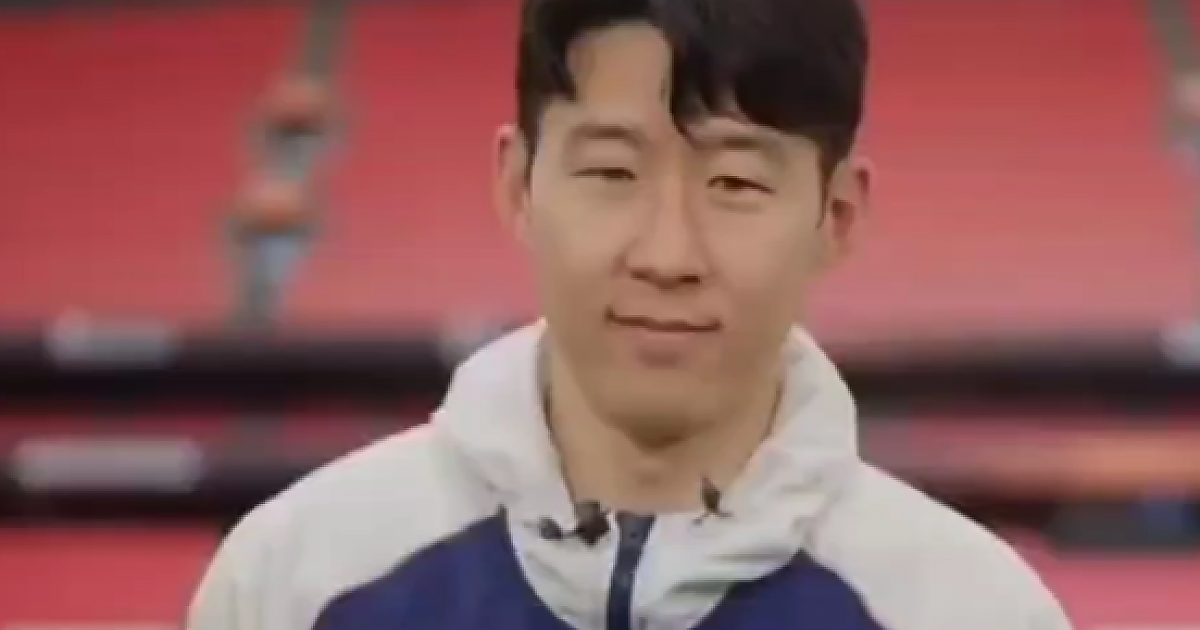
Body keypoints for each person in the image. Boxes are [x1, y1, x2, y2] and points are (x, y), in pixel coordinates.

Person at [187, 0, 1073, 628]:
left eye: (735, 182)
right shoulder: (295, 582)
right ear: (518, 184)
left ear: (836, 214)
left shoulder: (969, 611)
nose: (668, 254)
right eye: (612, 172)